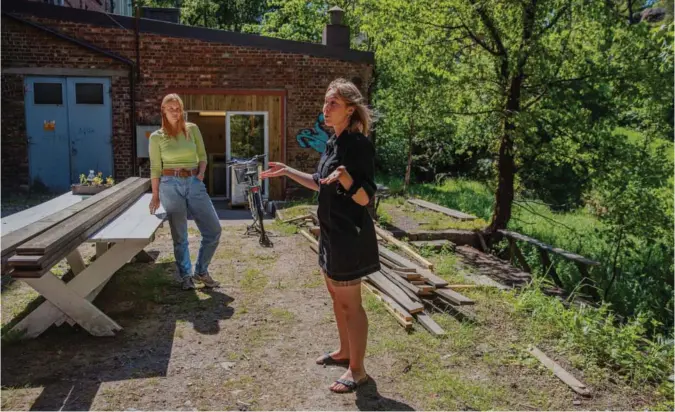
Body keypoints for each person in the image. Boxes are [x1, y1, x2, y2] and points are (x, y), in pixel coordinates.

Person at [261, 79, 379, 393]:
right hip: (328, 233)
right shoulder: (333, 142)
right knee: (335, 298)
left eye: (333, 104)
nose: (325, 109)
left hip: (349, 237)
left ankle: (358, 370)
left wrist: (348, 180)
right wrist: (287, 170)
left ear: (350, 110)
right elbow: (319, 181)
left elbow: (367, 198)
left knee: (352, 304)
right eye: (326, 103)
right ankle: (344, 352)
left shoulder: (358, 145)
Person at [149, 93, 222, 290]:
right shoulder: (156, 137)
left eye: (178, 108)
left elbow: (202, 156)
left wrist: (200, 175)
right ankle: (186, 275)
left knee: (213, 230)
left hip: (193, 182)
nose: (175, 111)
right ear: (163, 110)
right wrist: (155, 195)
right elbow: (155, 167)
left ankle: (201, 270)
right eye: (171, 108)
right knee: (180, 236)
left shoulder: (192, 129)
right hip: (169, 184)